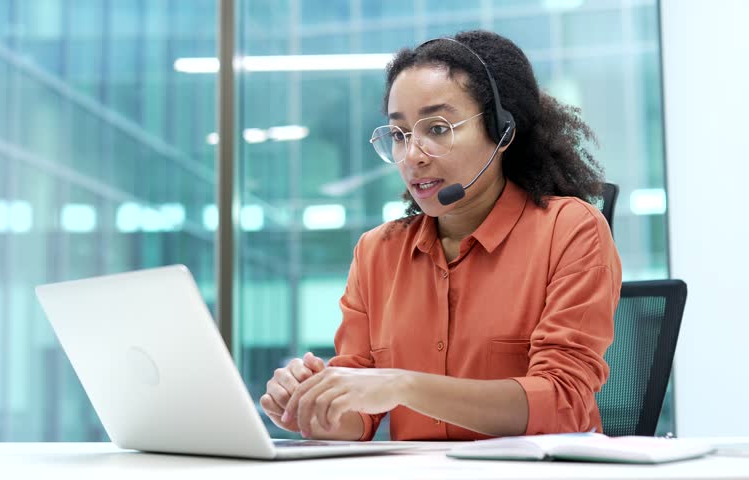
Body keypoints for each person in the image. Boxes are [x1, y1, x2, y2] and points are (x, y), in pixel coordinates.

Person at [259, 29, 622, 441]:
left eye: (437, 128)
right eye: (399, 134)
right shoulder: (377, 252)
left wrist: (403, 386)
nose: (412, 155)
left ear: (502, 131)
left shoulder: (571, 230)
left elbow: (563, 403)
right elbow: (358, 416)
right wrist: (313, 405)